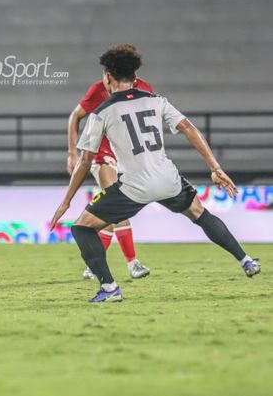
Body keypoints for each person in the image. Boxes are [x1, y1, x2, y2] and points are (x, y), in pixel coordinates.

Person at [50, 44, 261, 303]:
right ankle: (246, 260)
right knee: (200, 215)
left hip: (133, 188)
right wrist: (215, 167)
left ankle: (109, 288)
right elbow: (188, 128)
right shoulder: (157, 100)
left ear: (108, 77)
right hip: (168, 180)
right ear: (134, 76)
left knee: (82, 228)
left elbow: (84, 163)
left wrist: (66, 201)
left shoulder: (102, 112)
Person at [67, 64, 152, 280]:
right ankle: (133, 263)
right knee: (117, 204)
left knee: (108, 216)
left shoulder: (145, 89)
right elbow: (75, 116)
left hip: (125, 155)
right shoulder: (98, 90)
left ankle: (92, 266)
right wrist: (72, 153)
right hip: (101, 153)